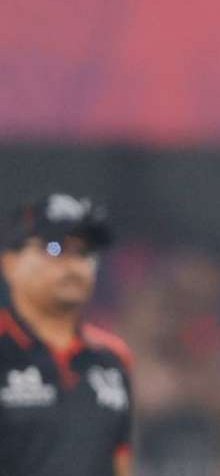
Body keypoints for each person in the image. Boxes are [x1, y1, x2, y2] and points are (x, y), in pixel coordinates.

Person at [0, 193, 132, 476]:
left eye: (84, 252)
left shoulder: (112, 358)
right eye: (54, 247)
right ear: (10, 263)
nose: (73, 265)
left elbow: (120, 461)